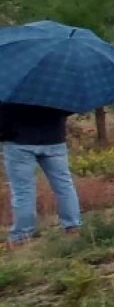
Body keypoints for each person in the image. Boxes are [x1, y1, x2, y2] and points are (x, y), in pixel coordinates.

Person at [1, 102, 82, 245]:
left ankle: (22, 236)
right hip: (54, 138)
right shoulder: (56, 85)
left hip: (19, 140)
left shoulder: (12, 85)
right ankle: (72, 226)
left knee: (23, 191)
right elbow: (68, 106)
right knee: (64, 185)